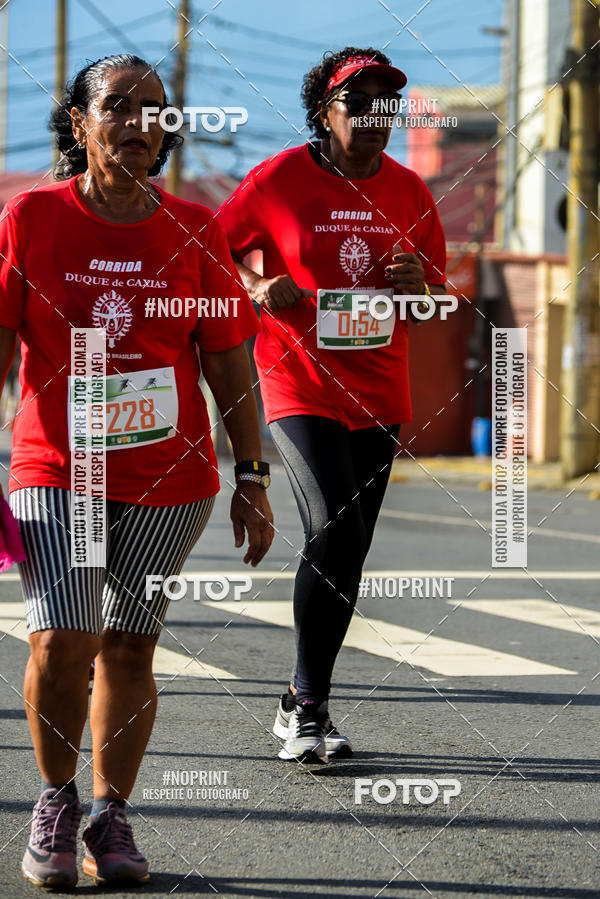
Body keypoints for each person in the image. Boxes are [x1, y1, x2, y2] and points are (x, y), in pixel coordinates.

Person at [0, 54, 273, 889]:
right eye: (116, 106)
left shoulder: (197, 229)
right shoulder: (31, 219)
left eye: (154, 107)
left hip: (170, 477)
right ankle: (54, 797)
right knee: (61, 635)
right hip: (57, 465)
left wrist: (253, 475)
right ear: (80, 126)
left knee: (128, 646)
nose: (138, 120)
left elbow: (229, 362)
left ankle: (110, 814)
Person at [217, 47, 446, 765]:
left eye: (389, 105)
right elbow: (205, 246)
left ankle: (297, 699)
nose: (377, 117)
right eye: (360, 102)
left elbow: (436, 293)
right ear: (325, 111)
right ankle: (311, 709)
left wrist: (419, 281)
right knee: (335, 527)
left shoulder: (411, 190)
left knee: (349, 551)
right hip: (299, 381)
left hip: (381, 391)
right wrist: (257, 283)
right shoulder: (279, 179)